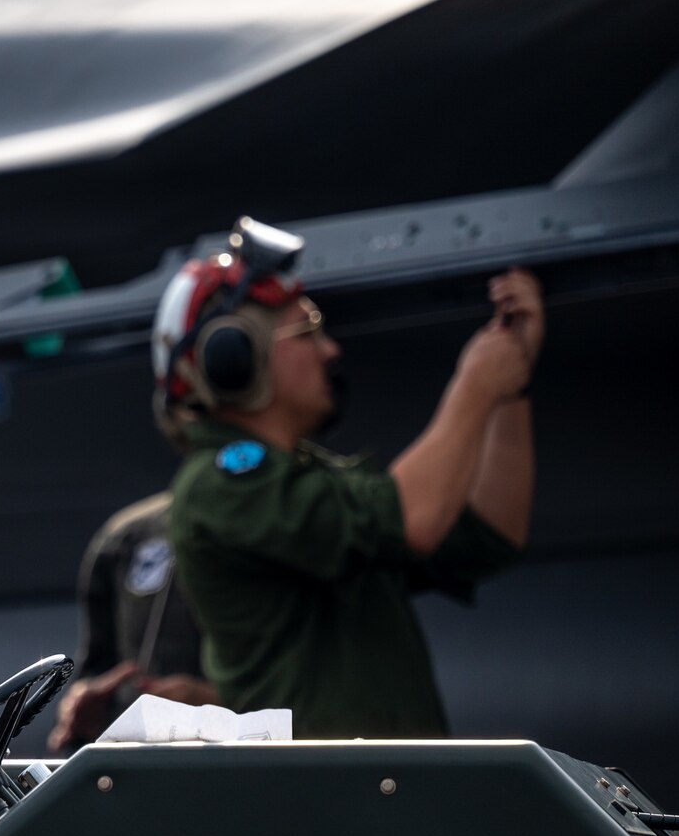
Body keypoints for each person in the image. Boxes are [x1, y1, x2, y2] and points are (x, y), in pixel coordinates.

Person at [155, 217, 539, 738]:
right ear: (234, 360)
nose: (330, 349)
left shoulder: (306, 481)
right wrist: (473, 387)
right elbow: (413, 521)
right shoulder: (222, 484)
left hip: (374, 794)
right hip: (323, 805)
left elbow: (493, 532)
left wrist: (508, 384)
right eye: (307, 330)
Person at [48, 491, 213, 752]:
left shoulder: (290, 529)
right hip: (140, 769)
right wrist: (88, 710)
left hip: (261, 771)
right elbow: (98, 669)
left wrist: (220, 708)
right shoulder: (128, 537)